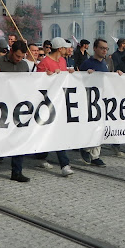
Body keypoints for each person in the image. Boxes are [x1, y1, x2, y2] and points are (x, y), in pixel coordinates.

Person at [0, 40, 32, 182]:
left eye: (22, 57)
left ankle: (16, 171)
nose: (19, 59)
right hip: (1, 107)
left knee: (19, 138)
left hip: (18, 107)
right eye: (17, 56)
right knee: (0, 138)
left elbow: (29, 83)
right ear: (11, 51)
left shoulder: (24, 65)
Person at [36, 37, 76, 176]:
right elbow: (37, 83)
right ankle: (63, 164)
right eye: (65, 47)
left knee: (56, 132)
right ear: (60, 49)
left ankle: (44, 158)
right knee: (50, 131)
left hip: (60, 102)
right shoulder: (44, 62)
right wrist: (46, 76)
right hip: (47, 104)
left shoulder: (63, 61)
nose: (68, 49)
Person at [78, 38, 110, 167]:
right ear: (95, 48)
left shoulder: (105, 64)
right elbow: (79, 79)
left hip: (102, 99)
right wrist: (87, 75)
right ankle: (85, 148)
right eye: (102, 48)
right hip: (89, 100)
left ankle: (95, 156)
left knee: (100, 128)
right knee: (90, 126)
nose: (104, 51)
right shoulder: (87, 63)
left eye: (106, 48)